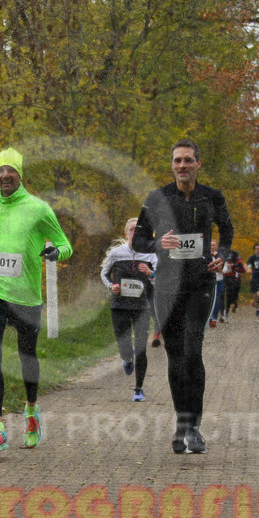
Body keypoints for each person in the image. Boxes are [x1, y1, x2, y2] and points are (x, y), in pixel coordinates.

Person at [132, 138, 233, 455]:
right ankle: (182, 422)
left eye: (188, 160)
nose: (182, 166)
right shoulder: (157, 198)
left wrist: (223, 254)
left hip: (200, 283)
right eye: (177, 160)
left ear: (198, 163)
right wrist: (158, 244)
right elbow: (138, 241)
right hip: (167, 286)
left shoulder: (212, 197)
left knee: (192, 352)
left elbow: (227, 230)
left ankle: (195, 428)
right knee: (175, 355)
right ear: (172, 164)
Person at [0, 147, 74, 452]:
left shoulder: (38, 208)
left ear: (20, 175)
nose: (5, 175)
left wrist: (56, 252)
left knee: (26, 357)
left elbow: (65, 244)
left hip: (26, 296)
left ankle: (31, 411)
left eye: (11, 170)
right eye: (0, 170)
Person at [100, 217, 158, 402]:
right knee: (124, 345)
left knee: (141, 349)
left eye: (139, 229)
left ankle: (139, 389)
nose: (135, 232)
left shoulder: (151, 254)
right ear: (126, 234)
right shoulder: (117, 253)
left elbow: (160, 279)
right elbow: (103, 273)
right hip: (120, 305)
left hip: (142, 306)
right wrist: (111, 286)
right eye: (132, 229)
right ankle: (127, 358)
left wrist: (150, 273)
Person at [222, 250, 245, 318]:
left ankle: (233, 303)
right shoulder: (222, 254)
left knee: (233, 294)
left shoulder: (236, 257)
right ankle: (225, 310)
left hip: (234, 278)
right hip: (224, 277)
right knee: (224, 294)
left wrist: (233, 266)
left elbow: (242, 270)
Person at [208, 239, 225, 327]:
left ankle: (214, 318)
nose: (212, 247)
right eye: (210, 245)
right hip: (208, 280)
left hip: (218, 280)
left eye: (214, 245)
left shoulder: (220, 256)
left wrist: (220, 268)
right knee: (208, 299)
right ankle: (208, 317)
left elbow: (225, 268)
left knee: (217, 299)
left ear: (216, 246)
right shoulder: (206, 255)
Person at [245, 243, 259, 317]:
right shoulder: (252, 258)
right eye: (257, 249)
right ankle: (258, 308)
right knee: (255, 295)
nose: (258, 250)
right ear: (254, 250)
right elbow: (247, 264)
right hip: (254, 278)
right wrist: (249, 270)